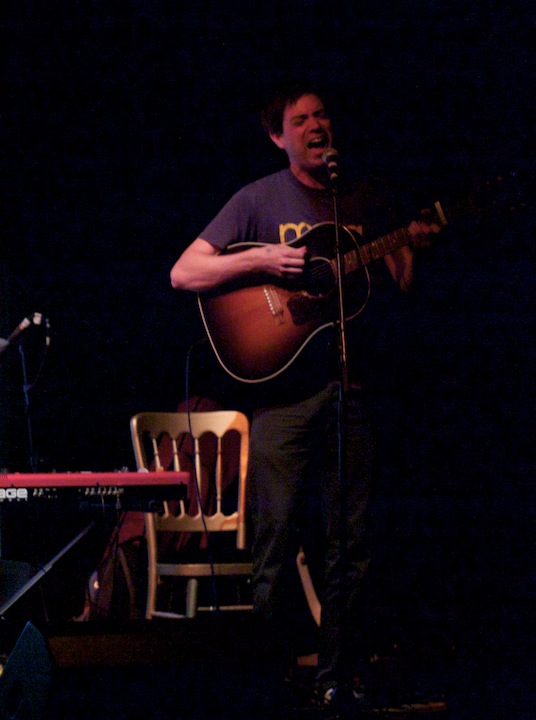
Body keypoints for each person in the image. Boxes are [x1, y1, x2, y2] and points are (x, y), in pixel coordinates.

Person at [169, 85, 437, 708]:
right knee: (276, 537)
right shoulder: (257, 199)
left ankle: (336, 675)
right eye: (301, 119)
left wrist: (405, 251)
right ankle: (272, 672)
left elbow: (396, 284)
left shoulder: (363, 198)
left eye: (322, 116)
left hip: (355, 388)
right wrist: (263, 257)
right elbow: (186, 272)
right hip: (282, 396)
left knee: (352, 541)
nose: (316, 125)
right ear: (278, 136)